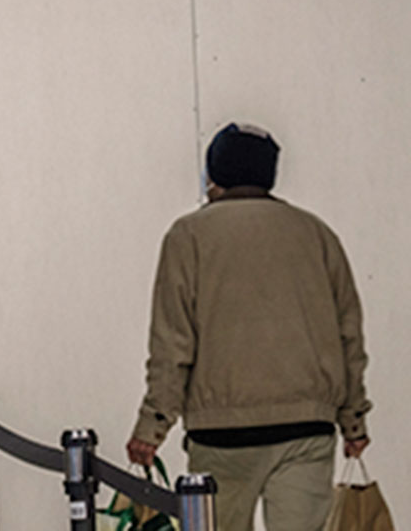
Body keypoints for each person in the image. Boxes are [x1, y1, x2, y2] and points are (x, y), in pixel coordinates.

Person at [127, 124, 371, 531]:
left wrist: (151, 428)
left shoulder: (188, 236)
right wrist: (354, 422)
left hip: (222, 435)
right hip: (306, 431)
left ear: (214, 174)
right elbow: (349, 337)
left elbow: (173, 346)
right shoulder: (317, 234)